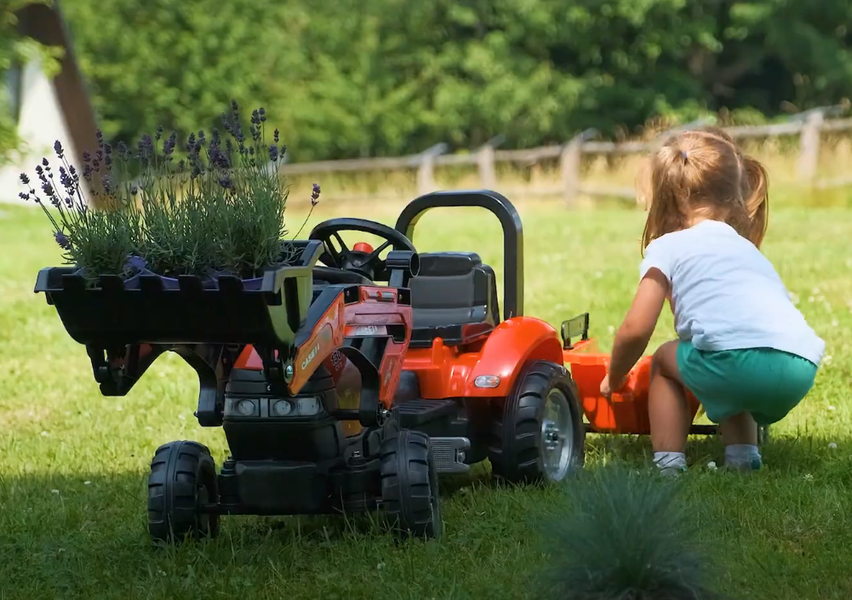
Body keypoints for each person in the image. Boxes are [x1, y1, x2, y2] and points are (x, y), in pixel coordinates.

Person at [600, 127, 824, 475]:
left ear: (663, 196)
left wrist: (614, 378)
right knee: (725, 359)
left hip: (736, 366)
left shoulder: (667, 247)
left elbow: (635, 328)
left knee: (664, 362)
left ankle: (668, 466)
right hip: (799, 365)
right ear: (734, 192)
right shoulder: (743, 245)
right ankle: (743, 459)